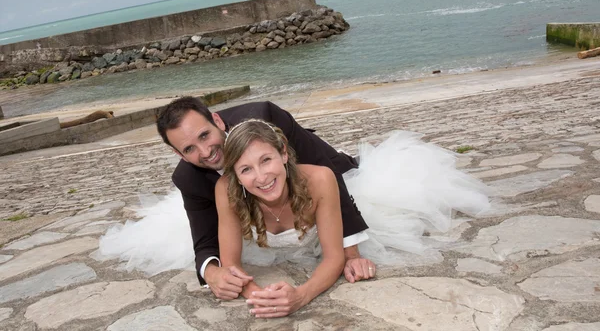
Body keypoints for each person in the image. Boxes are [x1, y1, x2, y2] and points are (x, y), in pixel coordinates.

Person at [214, 119, 491, 318]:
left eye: (266, 160)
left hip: (334, 210)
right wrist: (259, 297)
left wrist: (300, 296)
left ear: (284, 153)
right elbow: (231, 266)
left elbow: (334, 258)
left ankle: (350, 162)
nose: (261, 177)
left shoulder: (320, 179)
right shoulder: (225, 190)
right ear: (234, 175)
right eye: (246, 169)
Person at [156, 97, 375, 298]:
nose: (206, 152)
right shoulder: (190, 178)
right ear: (179, 154)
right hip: (254, 212)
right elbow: (205, 238)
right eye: (189, 148)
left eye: (205, 135)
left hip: (322, 175)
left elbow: (326, 172)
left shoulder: (267, 116)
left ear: (217, 121)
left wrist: (351, 253)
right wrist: (212, 273)